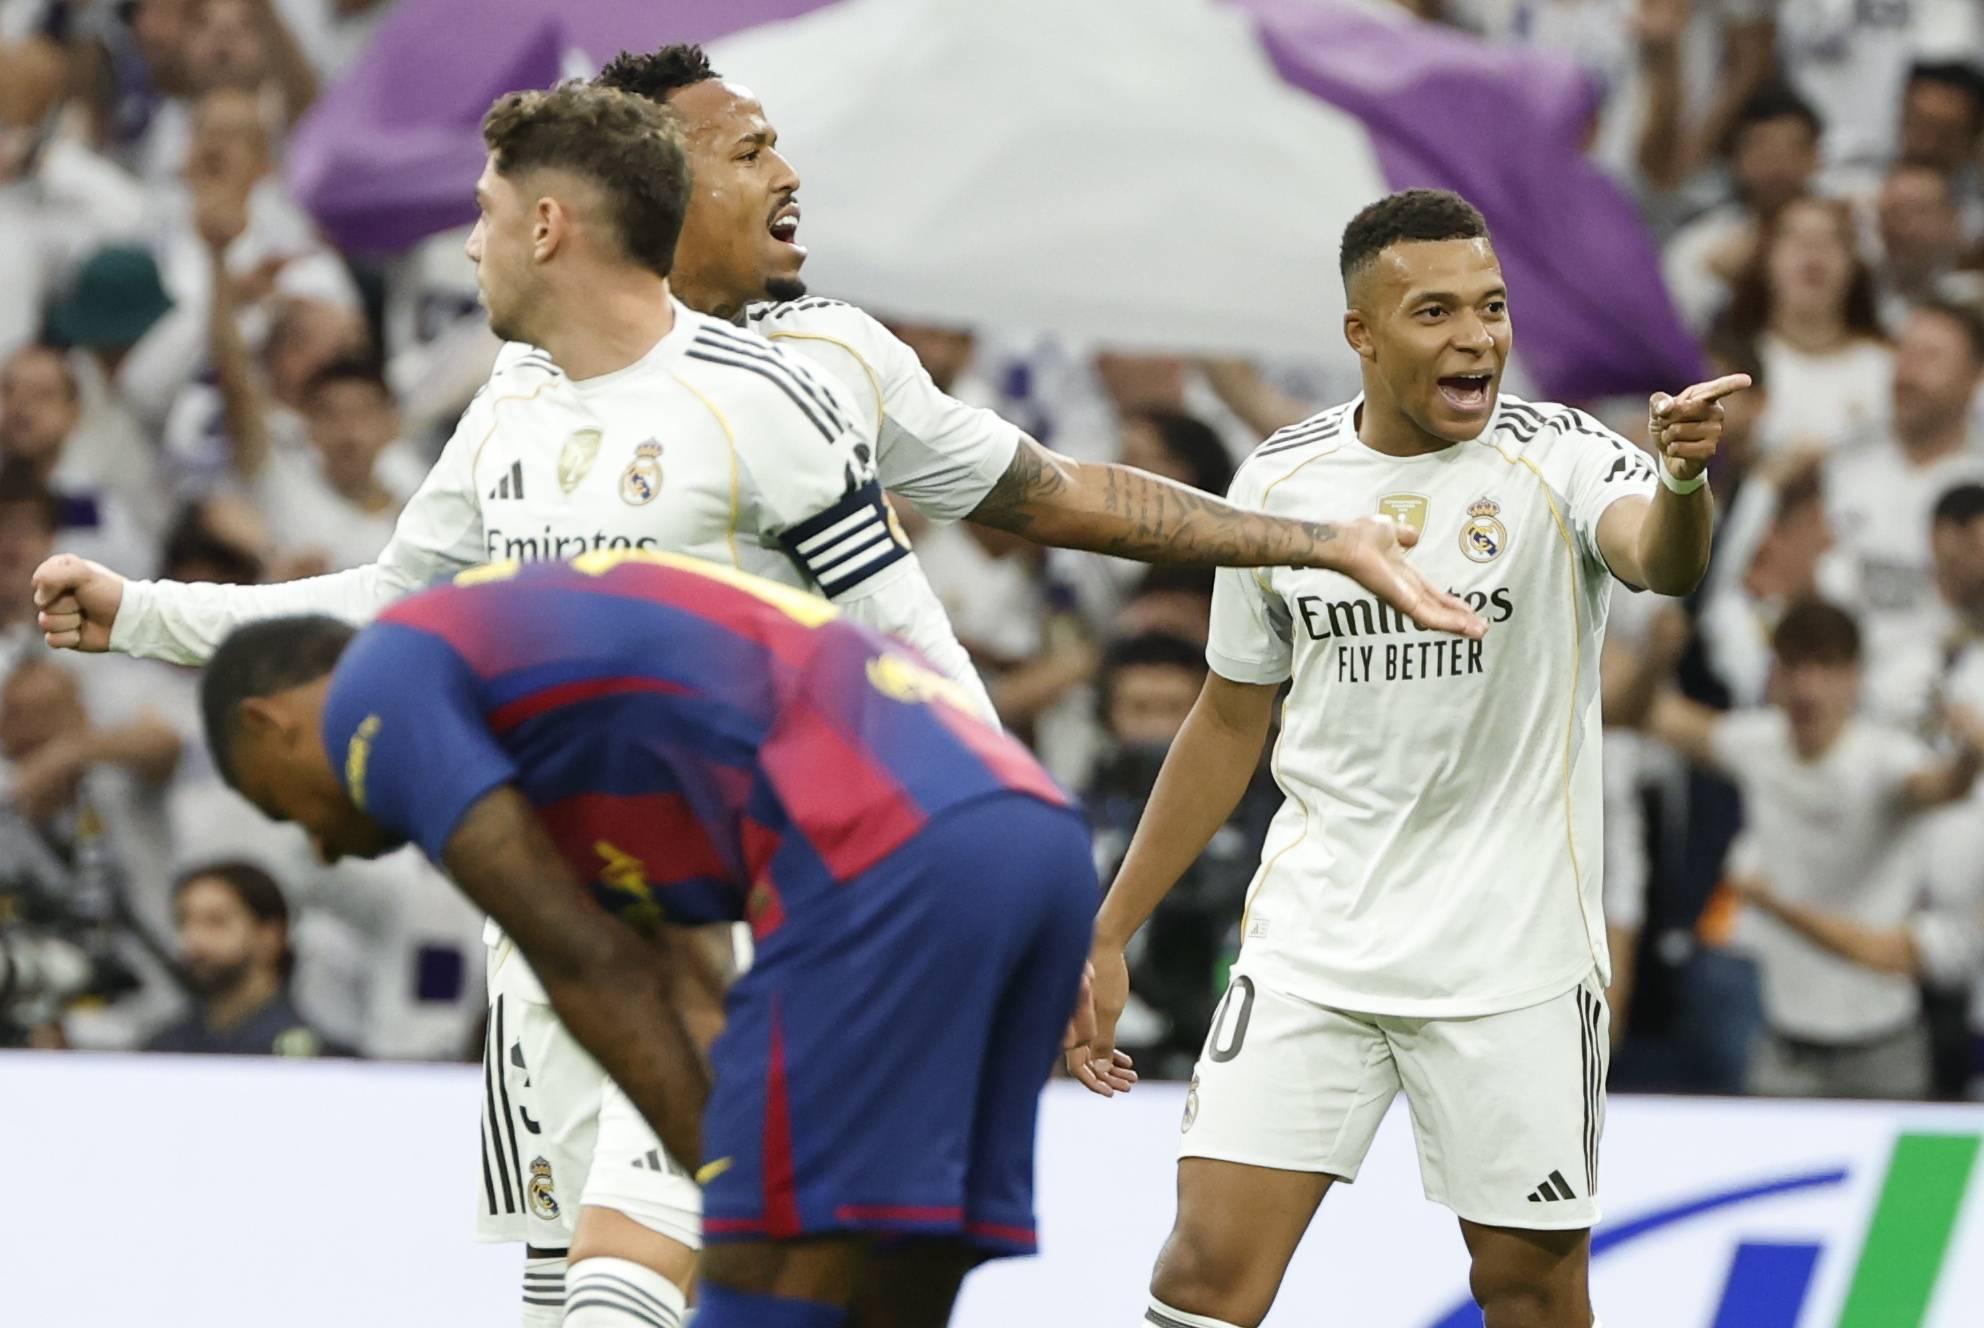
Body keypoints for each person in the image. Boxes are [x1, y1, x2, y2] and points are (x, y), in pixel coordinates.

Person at [32, 50, 1484, 1328]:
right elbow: (403, 606)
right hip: (549, 910)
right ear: (644, 183)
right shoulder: (516, 396)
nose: (787, 176)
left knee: (673, 1265)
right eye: (748, 150)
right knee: (579, 1286)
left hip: (745, 896)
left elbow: (984, 570)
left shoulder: (812, 374)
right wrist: (150, 612)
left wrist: (1037, 865)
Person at [1066, 188, 1746, 1328]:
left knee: (1530, 1292)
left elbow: (1662, 562)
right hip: (1314, 944)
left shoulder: (1564, 455)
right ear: (1362, 334)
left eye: (1491, 306)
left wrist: (1679, 480)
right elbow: (1228, 719)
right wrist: (1110, 925)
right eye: (1436, 312)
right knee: (1203, 1273)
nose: (1476, 336)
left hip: (1513, 961)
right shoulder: (1281, 482)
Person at [198, 548, 1103, 1328]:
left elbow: (585, 964)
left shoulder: (378, 688)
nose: (320, 846)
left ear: (266, 725)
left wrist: (734, 1189)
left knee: (764, 1261)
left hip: (876, 847)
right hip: (1034, 838)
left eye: (279, 806)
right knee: (905, 1266)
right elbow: (685, 975)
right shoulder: (565, 713)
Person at [1639, 598, 1984, 1098]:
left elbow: (1941, 787)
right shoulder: (1757, 742)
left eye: (1825, 667)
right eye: (1793, 666)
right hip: (1785, 1045)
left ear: (1855, 678)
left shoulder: (1885, 759)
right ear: (1775, 676)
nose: (1807, 688)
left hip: (1883, 1048)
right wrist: (1654, 657)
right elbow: (1650, 716)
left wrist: (1971, 757)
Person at [1818, 299, 1984, 727]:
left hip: (1946, 705)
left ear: (1973, 377)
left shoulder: (1977, 480)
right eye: (1904, 353)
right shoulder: (1842, 465)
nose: (1908, 373)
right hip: (1833, 695)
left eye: (1930, 357)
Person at [1709, 195, 1891, 459]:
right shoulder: (1727, 369)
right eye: (1795, 238)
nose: (1813, 250)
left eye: (1832, 240)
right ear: (1766, 259)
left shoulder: (1888, 366)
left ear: (1854, 264)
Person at [145, 859, 339, 1056]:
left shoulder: (317, 1060)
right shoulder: (160, 1052)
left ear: (269, 937)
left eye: (216, 922)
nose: (193, 940)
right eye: (183, 923)